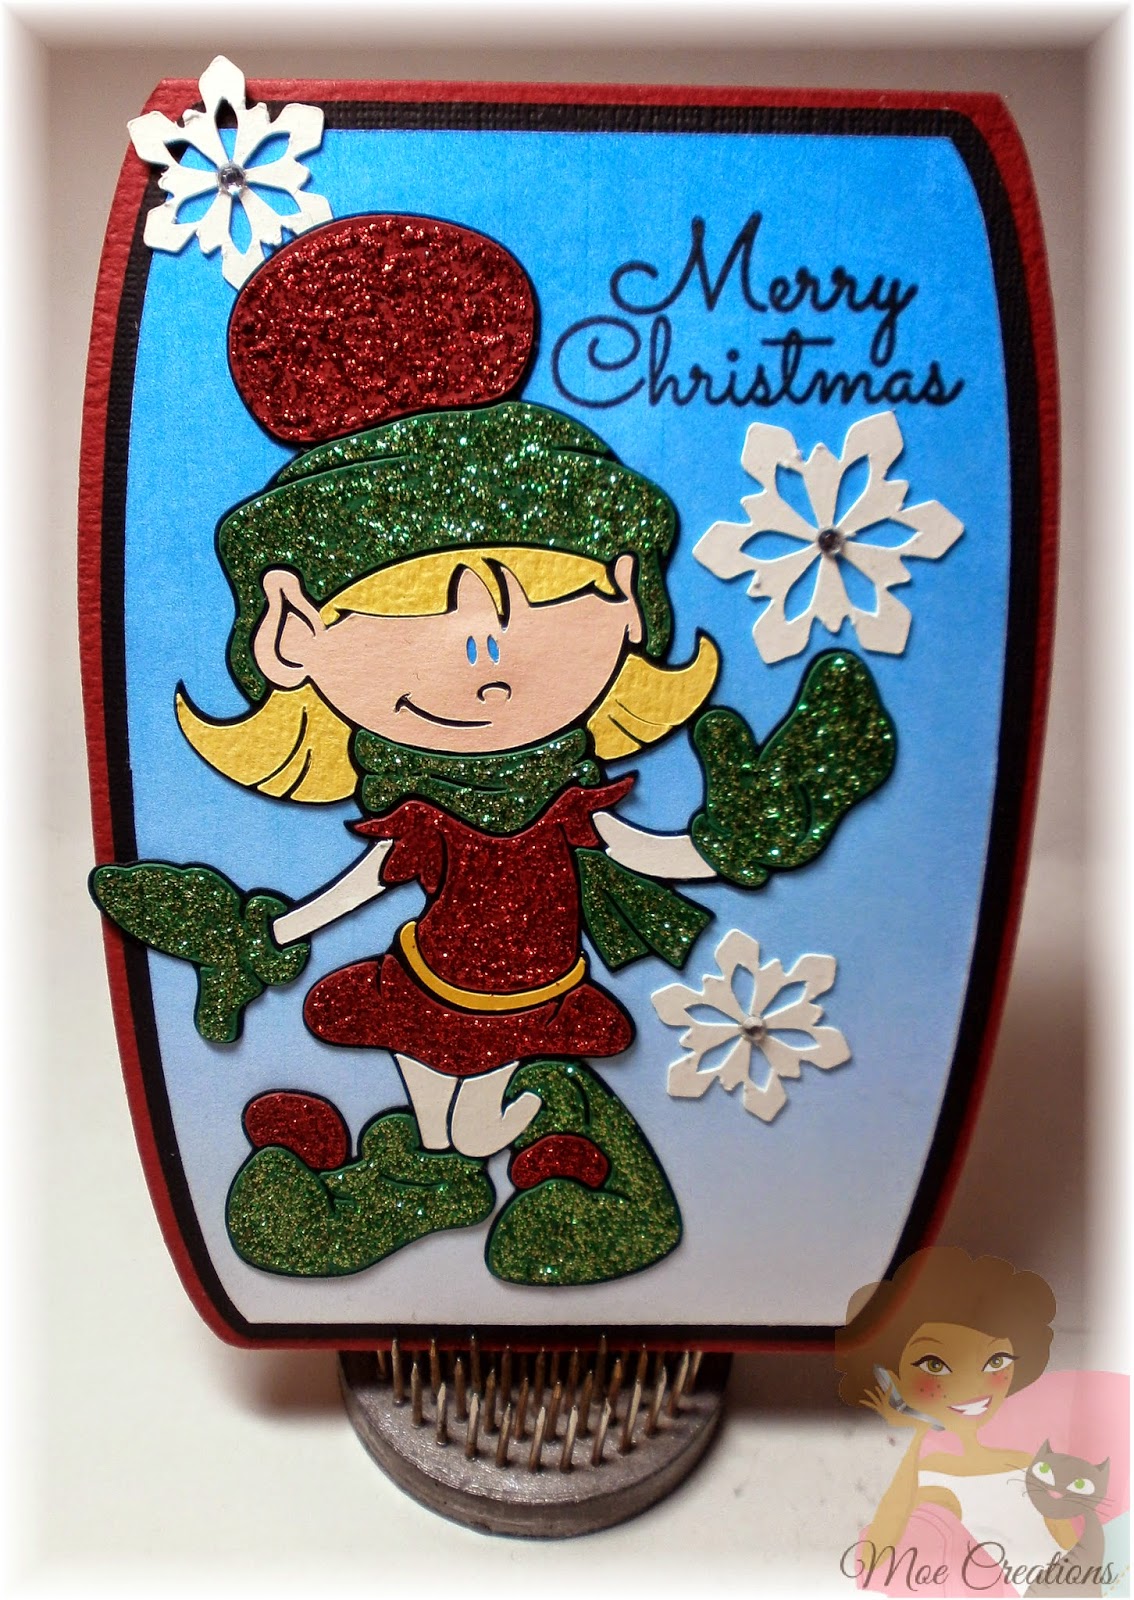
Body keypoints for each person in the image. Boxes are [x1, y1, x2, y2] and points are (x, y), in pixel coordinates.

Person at [91, 226, 896, 1288]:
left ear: (627, 596)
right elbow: (361, 885)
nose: (482, 645)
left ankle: (562, 1168)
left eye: (541, 596)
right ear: (293, 632)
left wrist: (738, 837)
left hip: (537, 989)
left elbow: (645, 853)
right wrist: (261, 934)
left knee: (489, 1106)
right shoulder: (421, 817)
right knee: (443, 1111)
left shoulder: (570, 802)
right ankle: (428, 1177)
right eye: (417, 603)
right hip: (434, 981)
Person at [836, 1246, 1080, 1588]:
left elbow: (1080, 1555)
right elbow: (879, 1554)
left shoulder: (1028, 1463)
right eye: (935, 1365)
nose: (973, 1385)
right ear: (891, 1376)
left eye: (996, 1361)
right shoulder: (929, 1481)